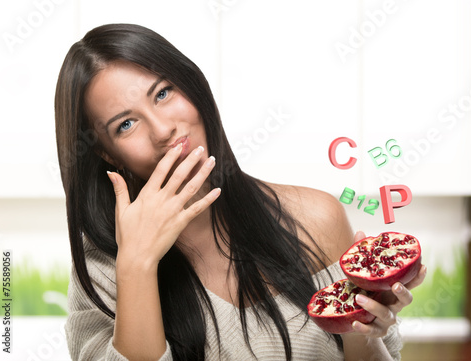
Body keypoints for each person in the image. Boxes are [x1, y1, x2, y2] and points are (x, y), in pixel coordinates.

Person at [55, 23, 426, 361]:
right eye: (126, 124)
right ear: (107, 153)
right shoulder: (102, 267)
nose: (163, 129)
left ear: (193, 86)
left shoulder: (318, 217)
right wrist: (137, 265)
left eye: (164, 92)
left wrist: (363, 323)